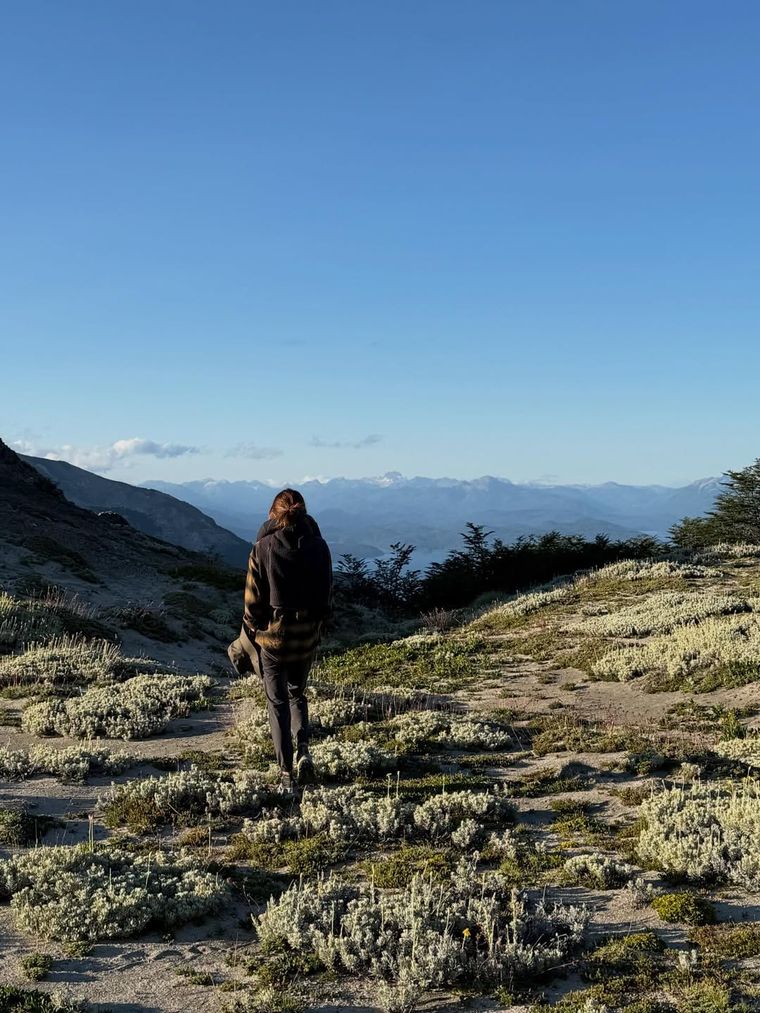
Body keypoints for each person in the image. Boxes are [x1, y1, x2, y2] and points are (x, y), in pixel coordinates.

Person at [228, 488, 332, 793]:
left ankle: (286, 773)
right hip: (306, 637)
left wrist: (254, 631)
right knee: (298, 694)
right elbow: (328, 596)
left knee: (277, 703)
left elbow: (252, 603)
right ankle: (304, 752)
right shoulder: (321, 547)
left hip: (272, 640)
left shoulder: (262, 548)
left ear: (274, 514)